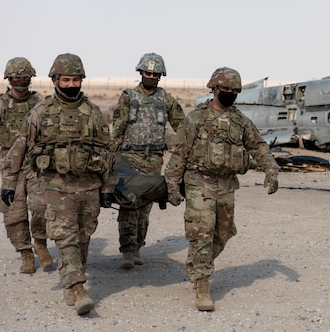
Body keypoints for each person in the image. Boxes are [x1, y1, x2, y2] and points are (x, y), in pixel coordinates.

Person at [1, 53, 117, 315]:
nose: (71, 85)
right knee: (66, 238)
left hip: (88, 187)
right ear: (54, 80)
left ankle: (71, 280)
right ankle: (78, 289)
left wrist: (108, 188)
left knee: (84, 237)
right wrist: (8, 183)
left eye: (76, 79)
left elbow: (108, 153)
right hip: (56, 186)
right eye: (66, 80)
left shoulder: (93, 112)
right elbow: (19, 148)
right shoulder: (40, 112)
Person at [164, 67, 280, 311]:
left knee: (225, 231)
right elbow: (180, 153)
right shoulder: (196, 119)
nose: (228, 93)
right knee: (202, 232)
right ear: (214, 89)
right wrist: (172, 185)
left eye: (233, 91)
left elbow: (258, 146)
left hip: (227, 185)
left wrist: (271, 169)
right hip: (199, 182)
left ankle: (197, 264)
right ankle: (202, 284)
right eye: (224, 89)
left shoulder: (240, 121)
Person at [0, 57, 52, 274]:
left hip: (35, 163)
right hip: (9, 165)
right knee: (13, 211)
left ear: (30, 78)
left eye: (24, 77)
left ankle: (40, 243)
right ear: (9, 79)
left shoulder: (40, 105)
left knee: (41, 206)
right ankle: (25, 252)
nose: (21, 81)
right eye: (16, 77)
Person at [111, 53, 185, 269]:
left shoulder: (166, 100)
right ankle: (127, 250)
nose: (151, 76)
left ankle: (138, 246)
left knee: (144, 207)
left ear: (161, 75)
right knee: (128, 205)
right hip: (128, 158)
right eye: (147, 72)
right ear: (140, 72)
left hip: (153, 160)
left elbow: (183, 126)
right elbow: (118, 130)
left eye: (155, 73)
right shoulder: (128, 97)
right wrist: (109, 159)